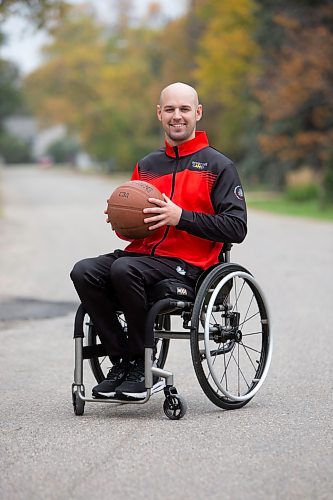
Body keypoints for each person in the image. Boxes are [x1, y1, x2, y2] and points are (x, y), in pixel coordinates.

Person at [70, 82, 247, 400]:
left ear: (198, 113)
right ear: (159, 114)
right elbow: (140, 229)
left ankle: (141, 364)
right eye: (169, 109)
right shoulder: (147, 167)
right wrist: (122, 222)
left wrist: (181, 217)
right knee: (84, 271)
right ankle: (124, 361)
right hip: (142, 256)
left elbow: (236, 228)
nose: (176, 116)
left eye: (183, 109)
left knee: (125, 270)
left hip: (189, 266)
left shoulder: (219, 167)